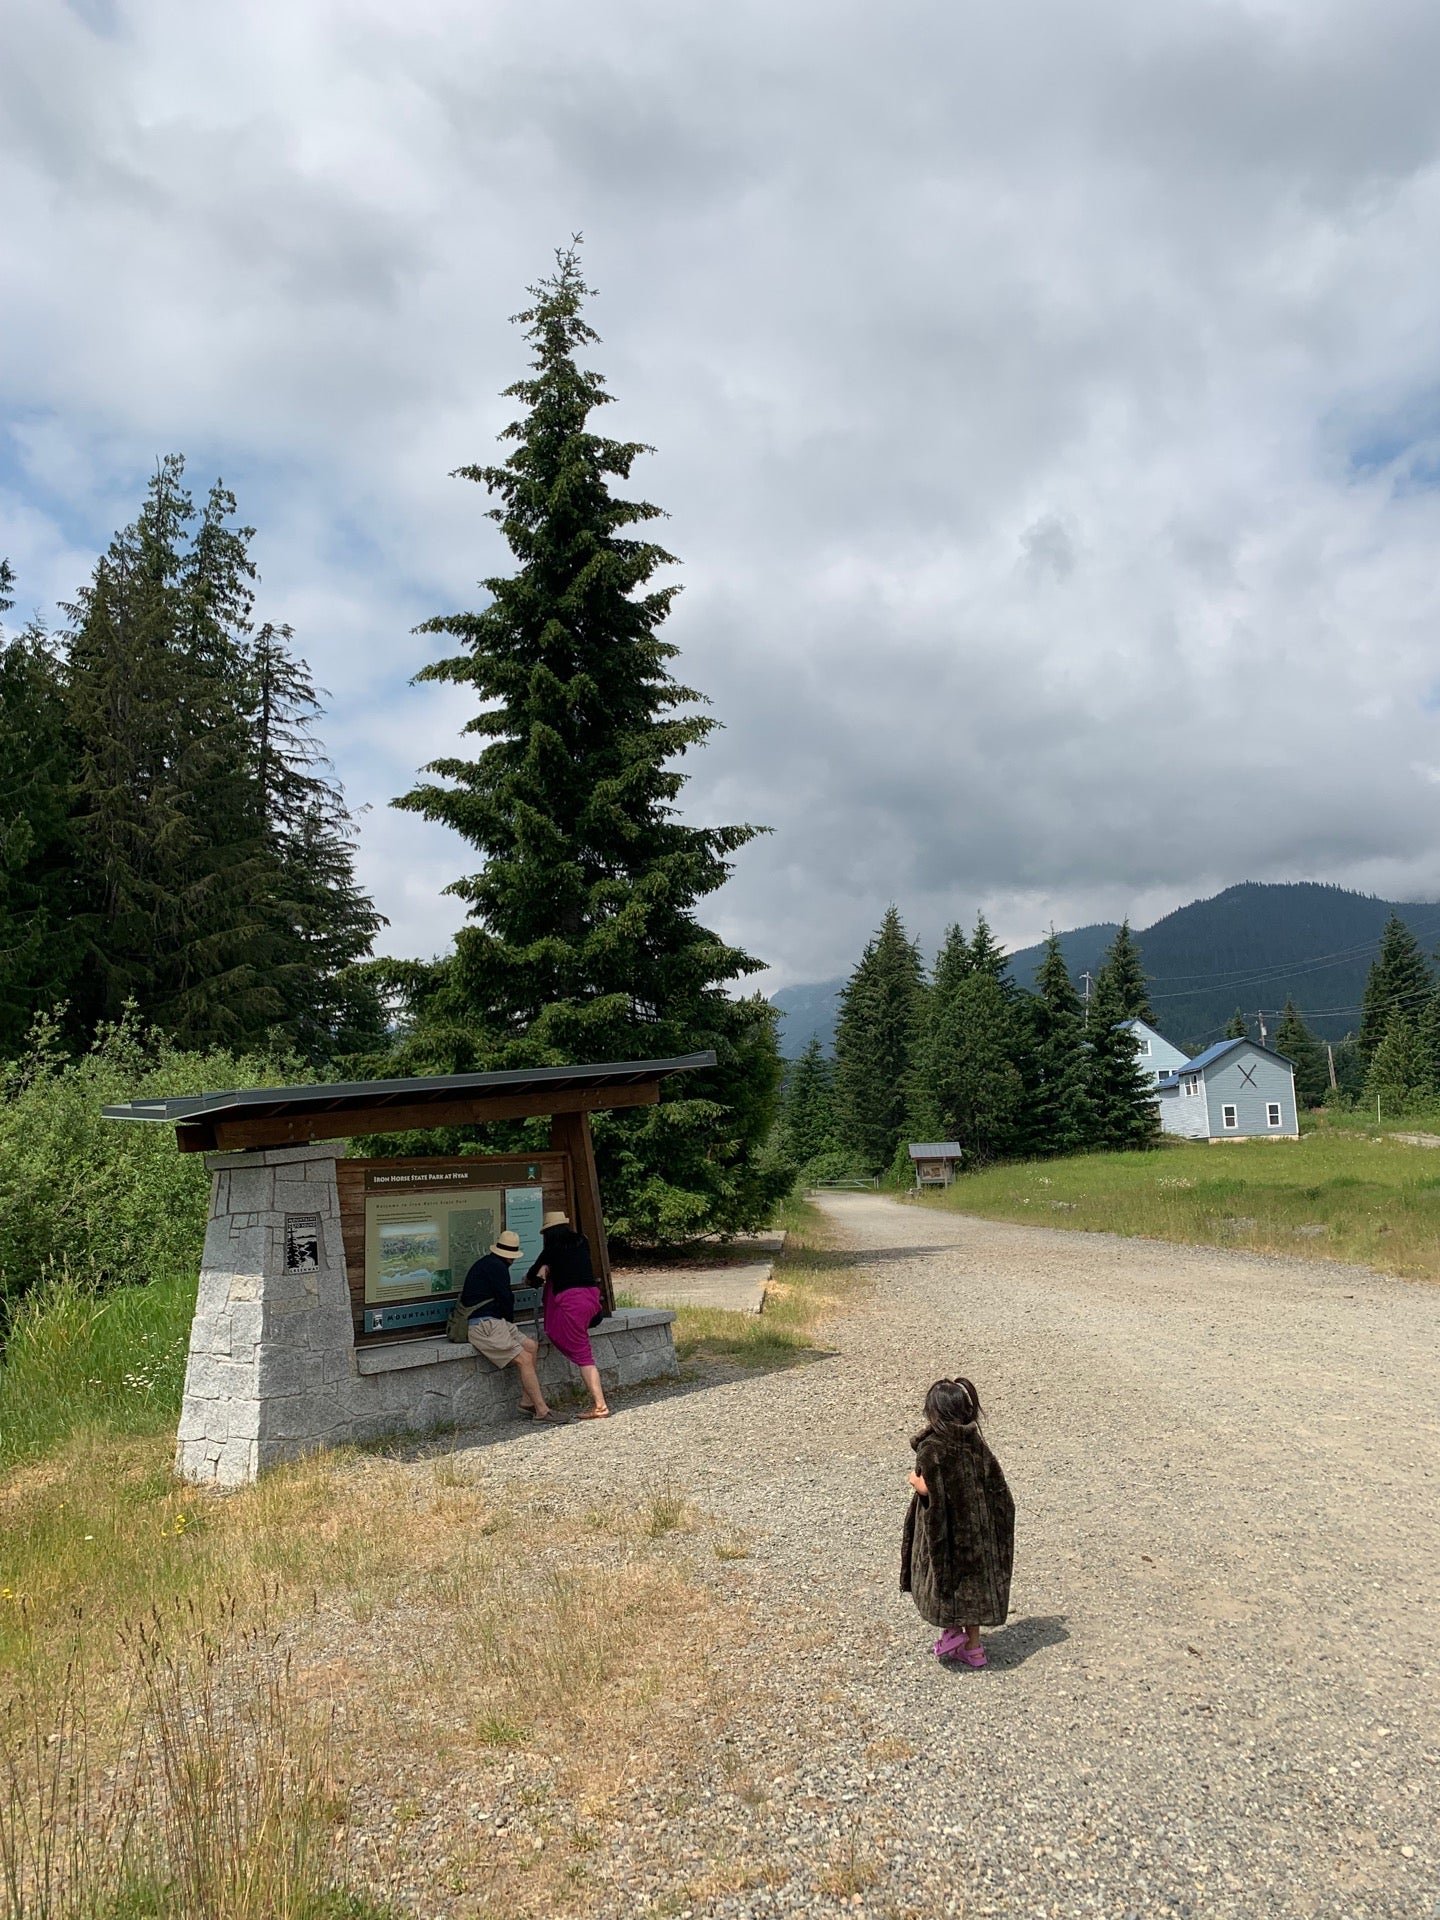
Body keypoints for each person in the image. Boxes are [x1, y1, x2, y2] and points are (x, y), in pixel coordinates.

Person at [900, 1375, 1014, 1669]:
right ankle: (974, 1649)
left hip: (949, 1531)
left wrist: (914, 1481)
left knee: (946, 1578)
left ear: (934, 1412)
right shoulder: (975, 1441)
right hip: (977, 1531)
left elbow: (929, 1488)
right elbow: (997, 1488)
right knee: (972, 1589)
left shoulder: (933, 1447)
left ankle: (951, 1632)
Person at [460, 1228, 567, 1424]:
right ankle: (542, 1410)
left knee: (531, 1346)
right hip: (485, 1324)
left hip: (494, 1321)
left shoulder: (488, 1264)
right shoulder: (497, 1268)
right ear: (511, 1256)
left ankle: (527, 1402)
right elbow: (506, 1300)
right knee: (525, 1359)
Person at [526, 1210, 610, 1419]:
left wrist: (541, 1272)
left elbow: (533, 1278)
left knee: (584, 1356)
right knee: (582, 1350)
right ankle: (600, 1404)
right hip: (591, 1297)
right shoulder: (582, 1241)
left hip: (572, 1304)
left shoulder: (551, 1251)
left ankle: (600, 1405)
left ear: (548, 1234)